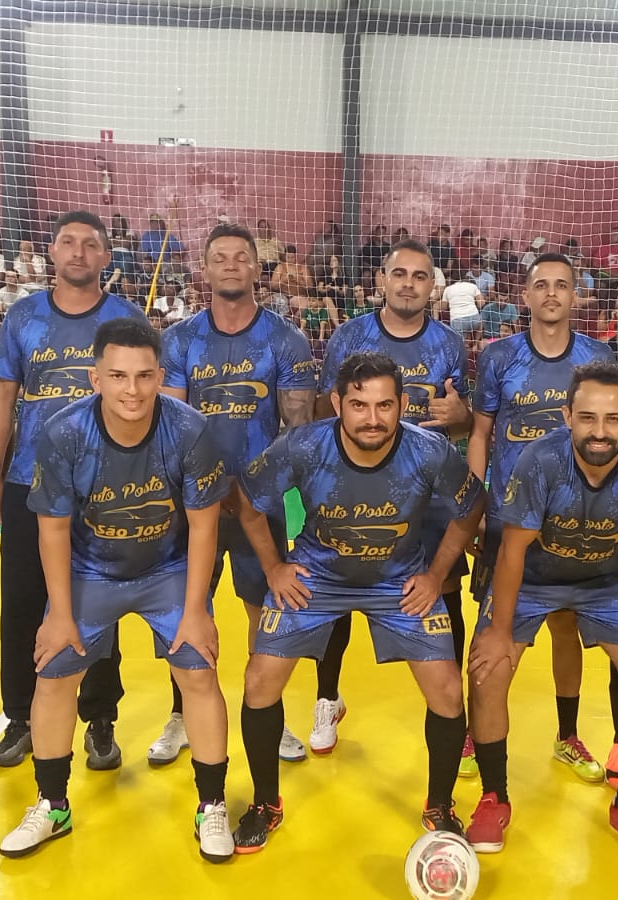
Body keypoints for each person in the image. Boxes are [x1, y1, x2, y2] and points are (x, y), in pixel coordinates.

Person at [0, 319, 235, 862]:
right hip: (91, 572)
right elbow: (53, 529)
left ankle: (212, 806)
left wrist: (195, 610)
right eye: (119, 376)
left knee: (199, 672)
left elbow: (204, 526)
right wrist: (60, 613)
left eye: (145, 376)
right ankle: (52, 805)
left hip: (167, 569)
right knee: (54, 674)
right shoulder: (63, 432)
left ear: (160, 376)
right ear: (95, 378)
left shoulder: (190, 430)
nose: (133, 389)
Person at [229, 351, 485, 853]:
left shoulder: (430, 451)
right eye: (360, 405)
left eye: (385, 405)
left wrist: (436, 575)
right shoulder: (303, 446)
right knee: (259, 680)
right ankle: (265, 802)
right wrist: (275, 567)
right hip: (317, 576)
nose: (372, 418)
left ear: (402, 405)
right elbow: (247, 500)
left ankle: (439, 805)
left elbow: (472, 504)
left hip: (399, 580)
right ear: (337, 403)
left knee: (447, 690)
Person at [464, 361, 618, 860]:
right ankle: (494, 798)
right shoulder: (539, 460)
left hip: (605, 584)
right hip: (533, 579)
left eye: (613, 419)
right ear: (567, 416)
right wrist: (498, 630)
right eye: (587, 418)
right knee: (487, 670)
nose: (600, 431)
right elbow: (512, 552)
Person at [149, 223, 318, 766]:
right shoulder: (180, 340)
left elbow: (297, 428)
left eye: (240, 257)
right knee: (185, 607)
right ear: (204, 268)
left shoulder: (286, 340)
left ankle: (269, 712)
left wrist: (256, 487)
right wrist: (201, 485)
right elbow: (171, 424)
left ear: (255, 268)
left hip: (259, 502)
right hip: (192, 502)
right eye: (219, 257)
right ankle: (181, 714)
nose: (229, 264)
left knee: (265, 608)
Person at [0, 211, 145, 770]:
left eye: (90, 244)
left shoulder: (125, 317)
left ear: (106, 258)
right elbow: (3, 396)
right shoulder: (23, 316)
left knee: (99, 601)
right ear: (51, 252)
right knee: (23, 602)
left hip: (107, 489)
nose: (78, 252)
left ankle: (99, 717)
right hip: (32, 482)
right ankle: (21, 717)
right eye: (68, 242)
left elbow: (144, 399)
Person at [306, 239, 471, 754]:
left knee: (443, 592)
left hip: (430, 495)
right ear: (381, 280)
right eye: (399, 274)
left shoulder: (450, 344)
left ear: (432, 286)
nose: (408, 284)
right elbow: (324, 411)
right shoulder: (349, 337)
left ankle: (452, 705)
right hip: (355, 491)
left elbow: (463, 421)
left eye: (420, 276)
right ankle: (327, 699)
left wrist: (460, 417)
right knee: (338, 594)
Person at [468, 252, 616, 782]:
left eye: (562, 285)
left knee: (566, 625)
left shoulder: (598, 357)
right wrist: (476, 503)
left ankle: (567, 734)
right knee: (494, 627)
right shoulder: (498, 356)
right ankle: (475, 732)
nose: (552, 293)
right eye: (542, 285)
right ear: (525, 295)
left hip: (576, 521)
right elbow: (480, 433)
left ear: (576, 295)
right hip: (510, 519)